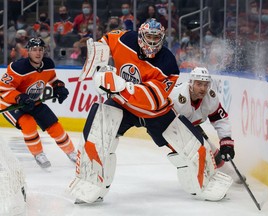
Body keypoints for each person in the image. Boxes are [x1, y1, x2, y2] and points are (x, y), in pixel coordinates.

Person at [68, 19, 233, 204]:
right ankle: (90, 183)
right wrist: (99, 67)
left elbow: (153, 101)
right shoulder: (124, 38)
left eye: (157, 38)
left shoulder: (168, 64)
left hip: (157, 113)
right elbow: (105, 41)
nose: (152, 42)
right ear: (140, 36)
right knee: (96, 133)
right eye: (149, 36)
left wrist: (121, 86)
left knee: (194, 146)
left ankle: (206, 183)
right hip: (122, 105)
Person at [0, 38, 77, 169]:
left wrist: (58, 87)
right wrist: (20, 98)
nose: (38, 53)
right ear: (28, 52)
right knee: (28, 123)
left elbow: (52, 78)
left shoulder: (48, 64)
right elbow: (3, 89)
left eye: (41, 50)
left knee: (53, 124)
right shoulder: (18, 67)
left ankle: (71, 152)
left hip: (33, 102)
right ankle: (38, 154)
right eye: (34, 50)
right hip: (10, 104)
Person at [169, 67, 243, 183]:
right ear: (191, 83)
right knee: (196, 153)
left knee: (211, 150)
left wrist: (226, 141)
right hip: (172, 128)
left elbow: (220, 118)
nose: (203, 88)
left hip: (191, 126)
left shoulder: (210, 97)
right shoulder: (176, 96)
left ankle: (231, 175)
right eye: (199, 84)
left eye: (205, 84)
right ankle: (199, 181)